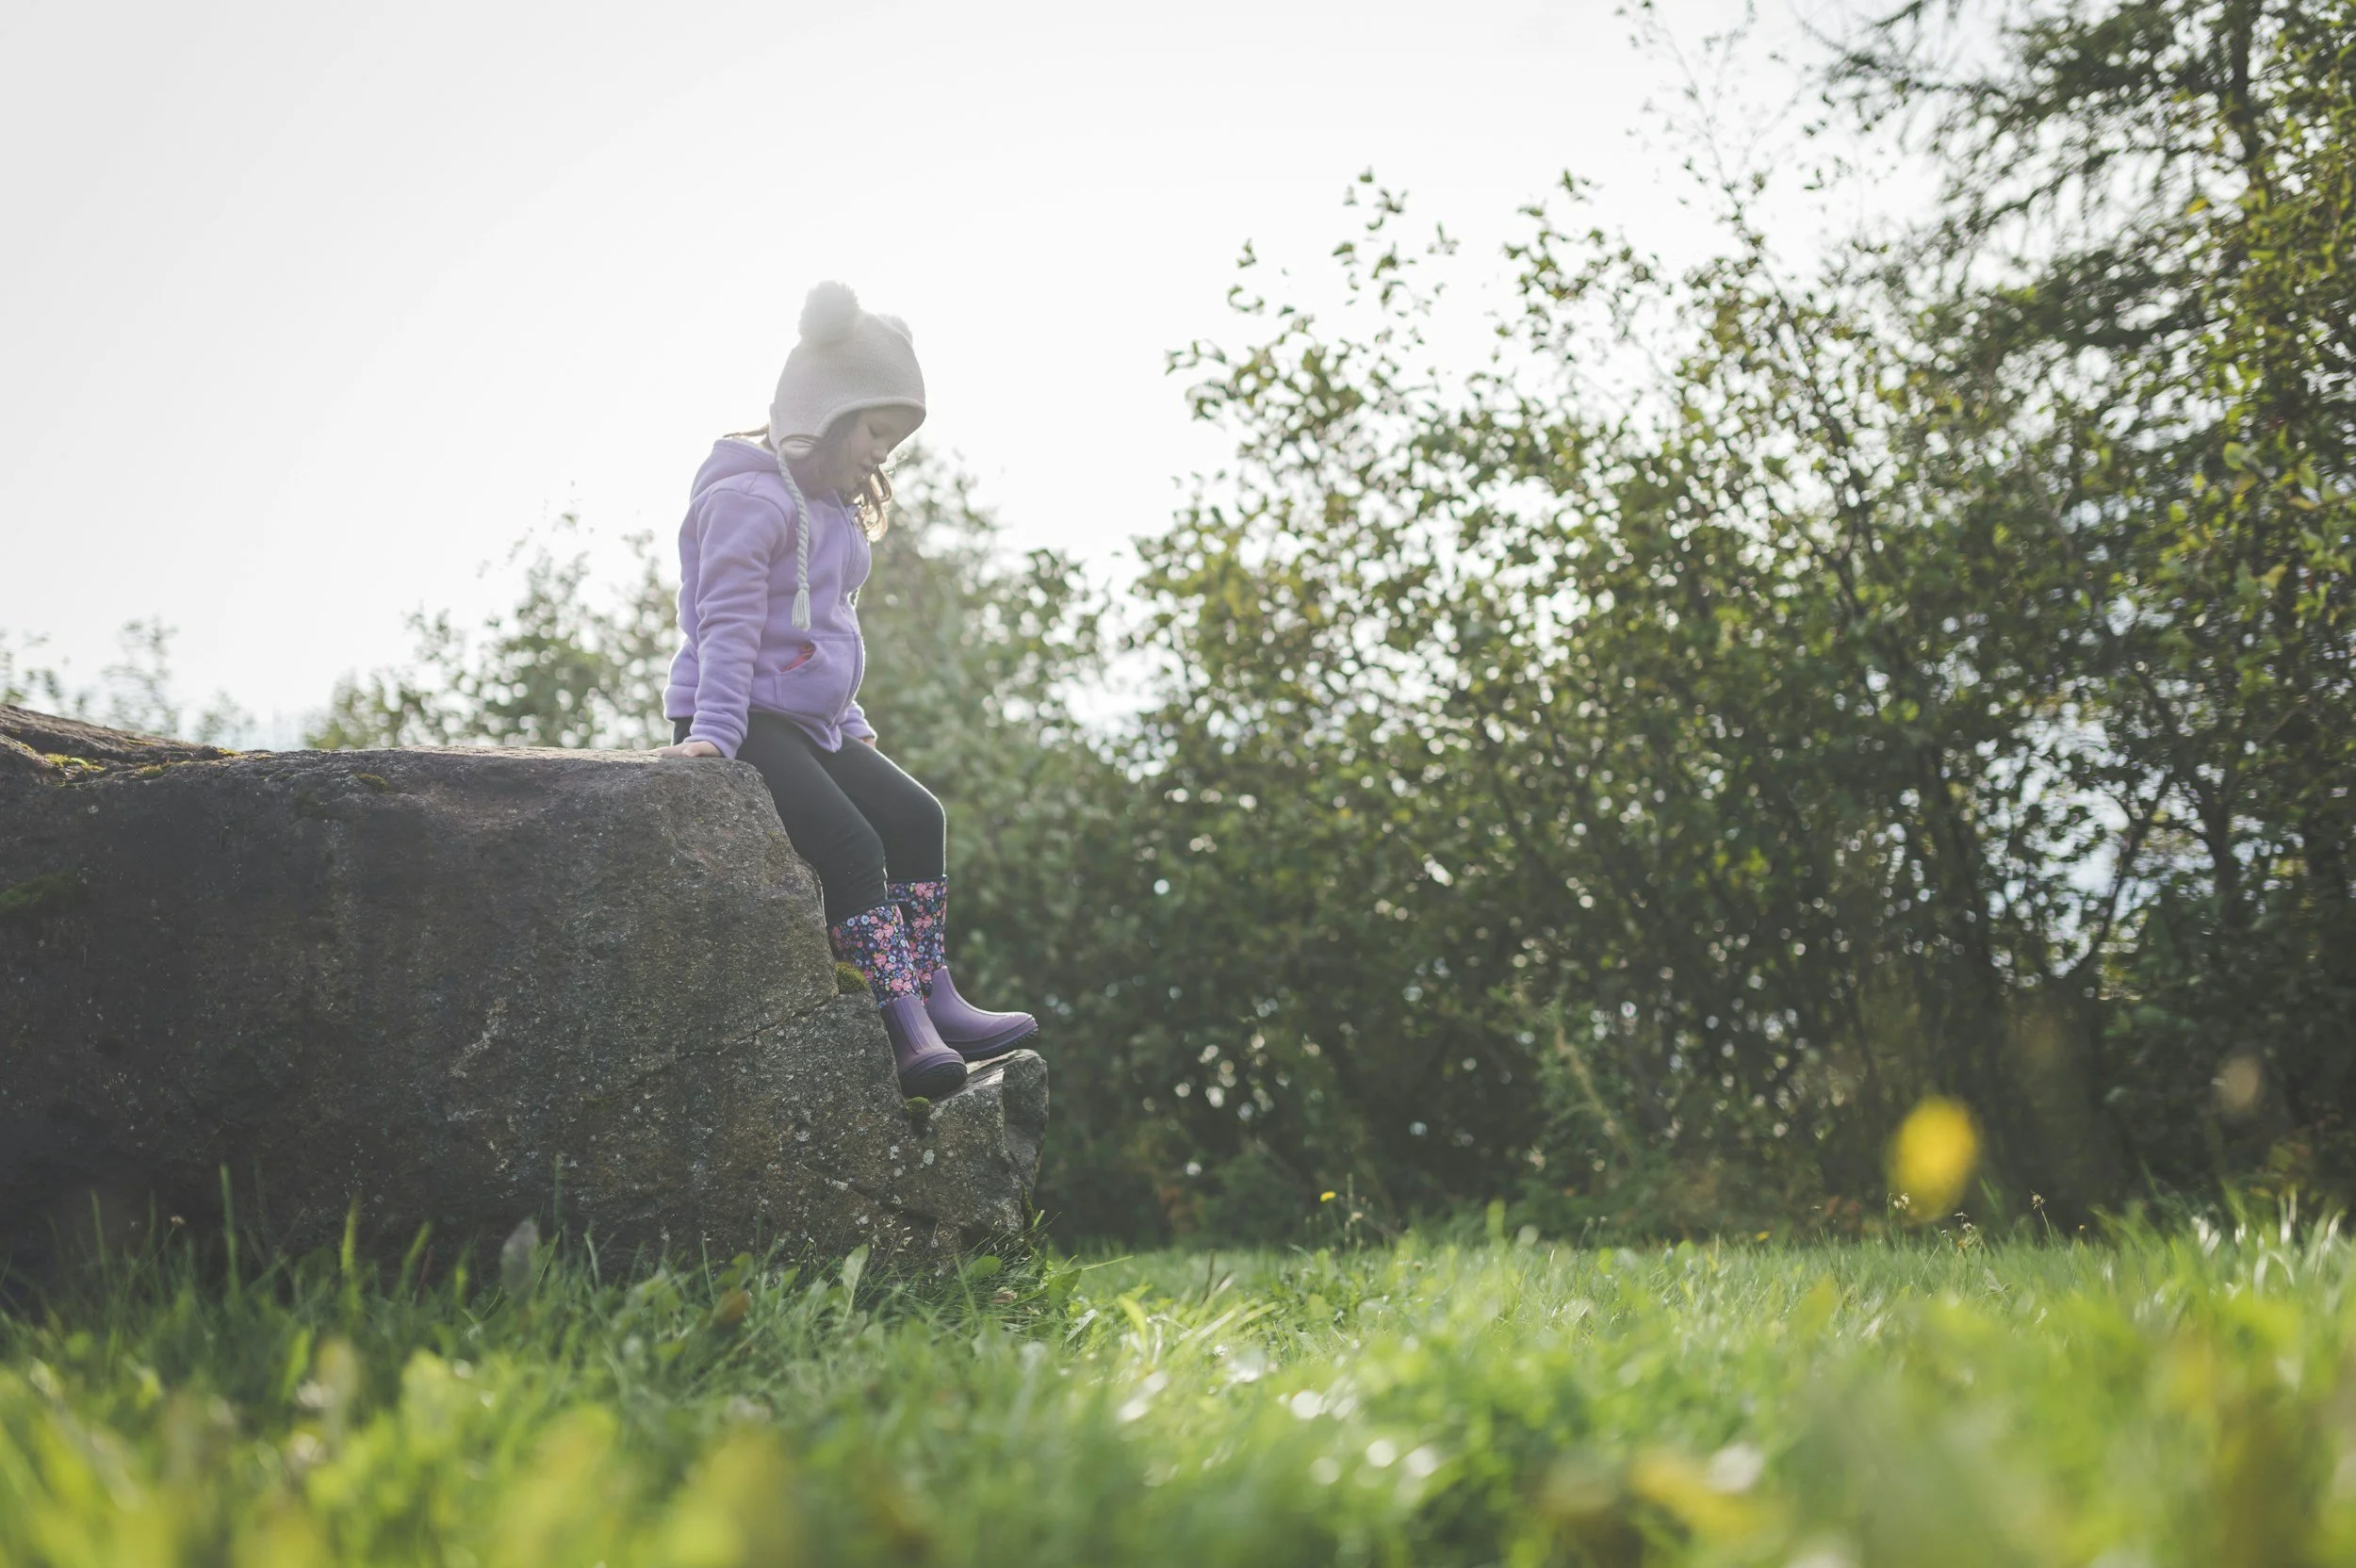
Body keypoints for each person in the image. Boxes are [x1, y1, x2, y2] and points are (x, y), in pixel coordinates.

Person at [657, 281, 1037, 1098]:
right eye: (877, 430)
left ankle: (935, 993)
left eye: (894, 440)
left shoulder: (829, 511)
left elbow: (827, 633)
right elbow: (725, 626)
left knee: (914, 815)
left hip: (806, 720)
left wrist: (851, 719)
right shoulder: (748, 499)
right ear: (827, 408)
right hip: (737, 711)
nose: (884, 454)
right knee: (852, 844)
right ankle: (900, 1024)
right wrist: (715, 732)